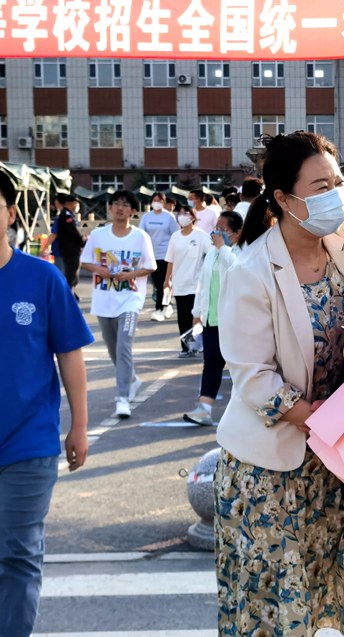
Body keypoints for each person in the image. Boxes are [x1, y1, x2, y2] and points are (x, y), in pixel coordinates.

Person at [213, 132, 344, 636]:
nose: (337, 195)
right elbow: (253, 377)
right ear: (284, 199)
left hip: (334, 466)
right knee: (274, 610)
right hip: (271, 471)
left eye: (338, 182)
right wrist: (326, 422)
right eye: (321, 186)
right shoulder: (252, 271)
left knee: (328, 600)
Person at [0, 172, 93, 637]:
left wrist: (80, 425)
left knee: (18, 554)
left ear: (10, 214)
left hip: (27, 441)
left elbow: (69, 354)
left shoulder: (41, 278)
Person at [80, 190, 156, 418]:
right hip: (104, 300)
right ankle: (131, 378)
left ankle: (122, 398)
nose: (120, 208)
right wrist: (99, 269)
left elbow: (151, 266)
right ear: (110, 208)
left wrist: (130, 274)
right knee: (113, 348)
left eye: (125, 205)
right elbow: (85, 262)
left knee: (124, 346)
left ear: (133, 211)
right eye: (116, 204)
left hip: (130, 300)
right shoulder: (98, 235)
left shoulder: (140, 236)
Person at [183, 211, 243, 426]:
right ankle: (204, 409)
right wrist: (197, 313)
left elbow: (237, 270)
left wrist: (223, 247)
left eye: (222, 229)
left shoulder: (242, 251)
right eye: (216, 228)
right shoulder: (212, 253)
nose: (216, 232)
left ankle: (245, 414)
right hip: (211, 320)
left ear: (237, 233)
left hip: (234, 322)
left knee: (240, 368)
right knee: (211, 364)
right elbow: (203, 285)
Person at [165, 204, 210, 358]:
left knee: (194, 315)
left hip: (195, 284)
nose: (182, 216)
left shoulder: (201, 236)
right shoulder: (175, 237)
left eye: (186, 213)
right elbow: (170, 260)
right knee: (182, 317)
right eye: (180, 213)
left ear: (193, 217)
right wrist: (167, 280)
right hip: (179, 283)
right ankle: (186, 347)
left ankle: (197, 345)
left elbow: (211, 254)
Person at [139, 191, 178, 321]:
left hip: (165, 254)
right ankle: (167, 305)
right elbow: (141, 234)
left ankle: (160, 309)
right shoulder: (147, 217)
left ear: (163, 202)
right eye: (155, 200)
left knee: (164, 282)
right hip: (151, 254)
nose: (157, 203)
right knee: (157, 283)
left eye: (159, 201)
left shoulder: (169, 217)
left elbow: (175, 235)